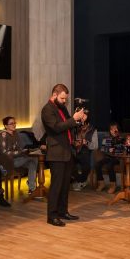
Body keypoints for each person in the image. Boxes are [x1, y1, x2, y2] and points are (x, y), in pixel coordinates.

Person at [41, 83, 86, 226]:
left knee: (65, 185)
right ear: (54, 95)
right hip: (56, 152)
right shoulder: (47, 110)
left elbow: (69, 125)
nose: (64, 101)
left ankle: (62, 211)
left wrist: (79, 120)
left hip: (67, 151)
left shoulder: (61, 107)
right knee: (56, 185)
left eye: (65, 98)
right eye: (62, 98)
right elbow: (56, 128)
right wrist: (73, 119)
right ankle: (52, 216)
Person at [0, 116, 38, 194]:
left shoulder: (15, 134)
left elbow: (19, 148)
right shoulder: (3, 135)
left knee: (33, 161)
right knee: (33, 158)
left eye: (14, 123)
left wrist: (23, 151)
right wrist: (20, 152)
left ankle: (32, 188)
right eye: (11, 123)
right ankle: (31, 185)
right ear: (6, 126)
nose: (14, 125)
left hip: (17, 159)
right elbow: (4, 153)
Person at [96, 122, 123, 193]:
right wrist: (108, 149)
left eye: (115, 129)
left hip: (117, 158)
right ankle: (101, 183)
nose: (113, 131)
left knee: (110, 165)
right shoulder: (106, 138)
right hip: (108, 157)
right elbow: (102, 149)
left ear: (118, 130)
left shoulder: (120, 138)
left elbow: (122, 150)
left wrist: (115, 149)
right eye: (111, 129)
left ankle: (113, 185)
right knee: (97, 164)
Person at [71, 118, 98, 191]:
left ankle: (81, 181)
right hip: (76, 152)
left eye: (84, 125)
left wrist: (87, 143)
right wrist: (75, 143)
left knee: (84, 158)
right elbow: (73, 141)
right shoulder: (76, 130)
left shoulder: (93, 131)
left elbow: (95, 146)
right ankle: (81, 180)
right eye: (80, 125)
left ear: (88, 124)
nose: (82, 127)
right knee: (68, 161)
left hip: (87, 152)